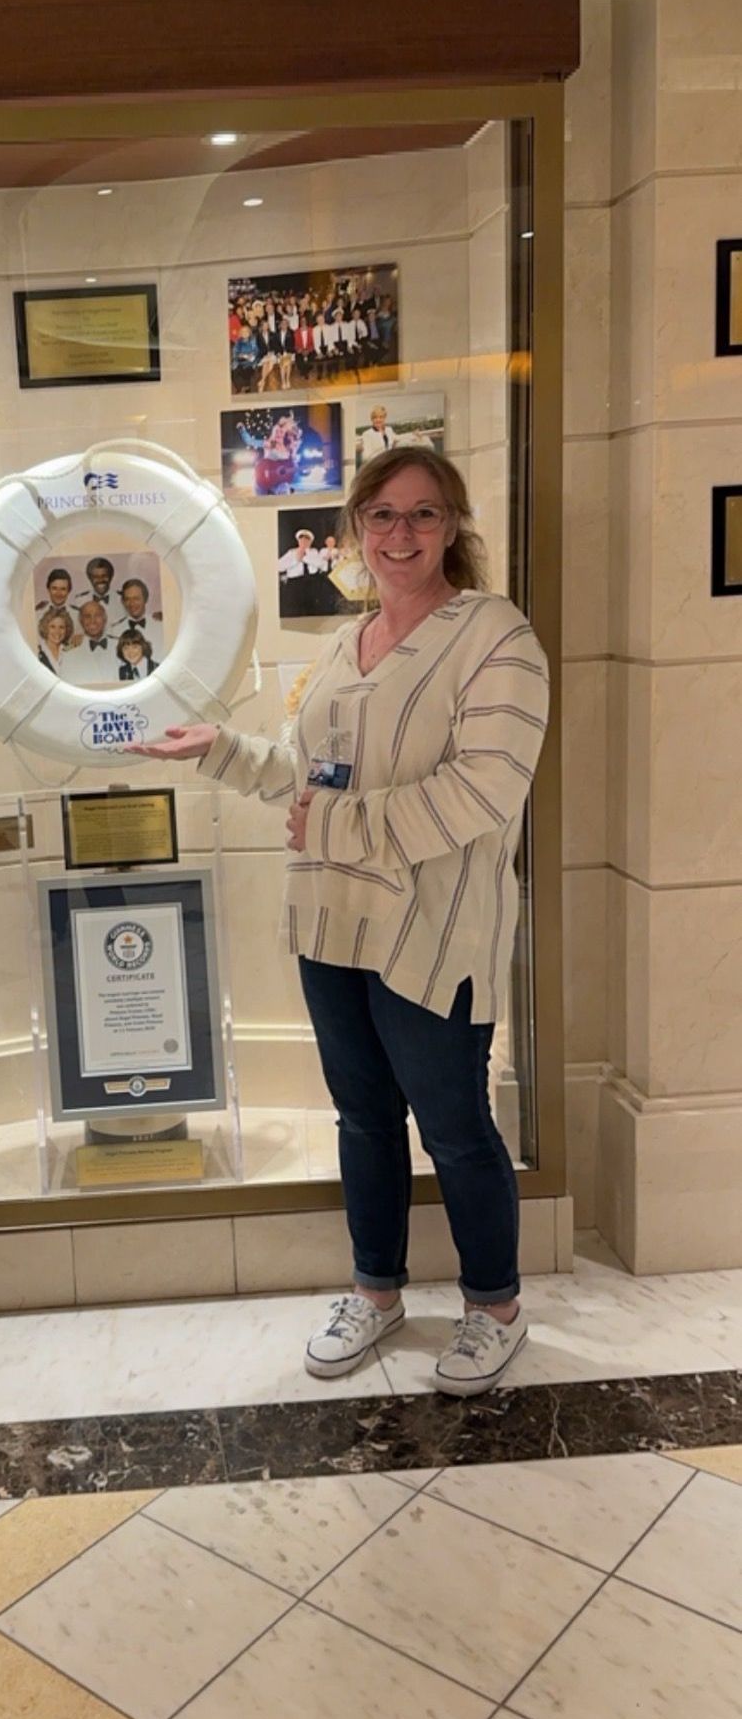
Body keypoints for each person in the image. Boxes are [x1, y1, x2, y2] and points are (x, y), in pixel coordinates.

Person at [130, 447, 549, 1398]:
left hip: (432, 931)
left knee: (455, 1127)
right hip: (331, 922)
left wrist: (336, 824)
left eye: (424, 515)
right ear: (357, 528)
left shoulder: (495, 635)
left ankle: (494, 1306)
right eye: (383, 515)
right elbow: (313, 773)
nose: (401, 535)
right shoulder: (342, 643)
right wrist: (224, 750)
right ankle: (377, 1290)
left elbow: (484, 792)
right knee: (362, 1119)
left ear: (453, 527)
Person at [62, 599, 115, 684]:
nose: (92, 621)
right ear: (81, 621)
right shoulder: (69, 651)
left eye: (97, 615)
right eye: (87, 616)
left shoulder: (119, 646)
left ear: (105, 619)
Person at [109, 577, 164, 659]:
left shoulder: (161, 624)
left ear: (145, 599)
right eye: (127, 599)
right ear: (123, 602)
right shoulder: (114, 631)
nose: (132, 604)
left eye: (136, 598)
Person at [275, 527, 321, 618]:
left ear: (310, 542)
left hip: (311, 583)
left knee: (311, 608)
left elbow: (320, 564)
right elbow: (279, 566)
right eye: (301, 540)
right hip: (295, 583)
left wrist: (304, 558)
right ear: (298, 541)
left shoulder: (313, 552)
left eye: (306, 540)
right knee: (295, 608)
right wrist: (295, 560)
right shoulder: (291, 552)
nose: (303, 542)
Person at [38, 606, 74, 673]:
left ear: (67, 630)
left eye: (61, 627)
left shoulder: (71, 651)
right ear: (45, 628)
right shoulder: (37, 651)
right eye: (52, 627)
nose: (57, 631)